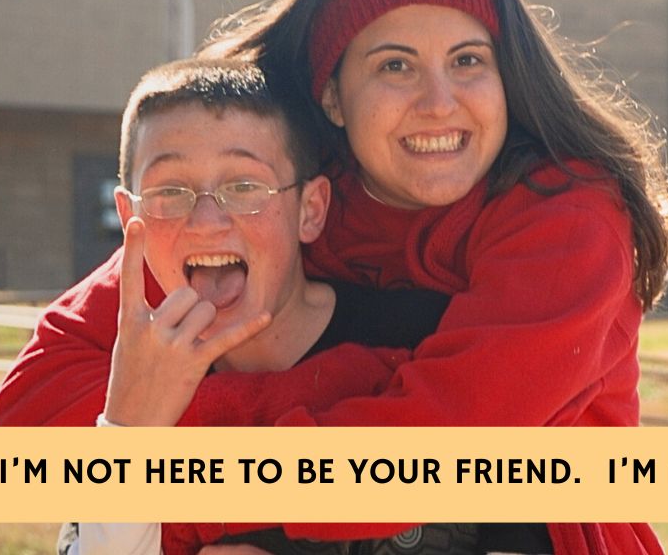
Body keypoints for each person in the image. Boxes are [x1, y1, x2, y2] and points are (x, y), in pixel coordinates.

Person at [0, 0, 668, 552]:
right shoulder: (287, 200)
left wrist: (163, 460)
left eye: (468, 60)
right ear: (332, 96)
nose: (438, 102)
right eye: (395, 65)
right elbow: (32, 419)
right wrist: (359, 385)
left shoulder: (568, 220)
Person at [57, 58, 451, 554]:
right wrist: (126, 433)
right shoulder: (125, 383)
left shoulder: (425, 345)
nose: (206, 220)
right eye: (169, 191)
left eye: (244, 187)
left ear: (311, 211)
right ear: (128, 215)